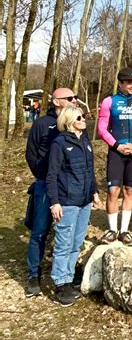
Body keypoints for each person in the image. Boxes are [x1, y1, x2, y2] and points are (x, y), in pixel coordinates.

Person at [25, 88, 78, 297]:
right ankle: (33, 275)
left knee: (68, 233)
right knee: (39, 231)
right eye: (69, 98)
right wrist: (44, 177)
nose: (74, 100)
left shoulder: (74, 122)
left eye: (75, 98)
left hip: (69, 187)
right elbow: (31, 154)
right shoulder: (41, 124)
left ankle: (65, 277)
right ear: (57, 101)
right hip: (46, 185)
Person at [46, 106, 101, 306]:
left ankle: (68, 279)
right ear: (69, 121)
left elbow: (90, 170)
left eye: (84, 116)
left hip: (84, 200)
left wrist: (94, 192)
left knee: (76, 243)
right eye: (79, 117)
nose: (83, 119)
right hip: (66, 202)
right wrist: (55, 202)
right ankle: (60, 285)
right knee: (64, 244)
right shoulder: (59, 144)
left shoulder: (85, 140)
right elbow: (51, 176)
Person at [98, 67, 132, 246]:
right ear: (120, 83)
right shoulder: (109, 102)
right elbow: (101, 129)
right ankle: (112, 230)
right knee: (113, 190)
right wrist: (117, 146)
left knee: (129, 190)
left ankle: (124, 230)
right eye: (128, 82)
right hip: (116, 151)